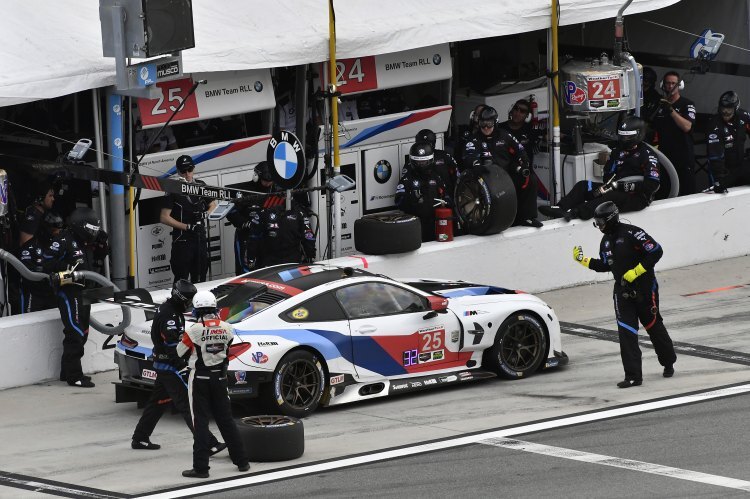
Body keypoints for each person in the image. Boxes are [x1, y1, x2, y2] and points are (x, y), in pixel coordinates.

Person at [573, 201, 676, 388]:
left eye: (601, 222)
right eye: (596, 223)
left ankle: (668, 361)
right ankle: (633, 376)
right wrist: (583, 260)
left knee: (653, 326)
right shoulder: (604, 242)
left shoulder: (633, 233)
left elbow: (656, 251)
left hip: (645, 288)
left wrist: (636, 271)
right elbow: (605, 265)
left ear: (611, 220)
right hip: (622, 291)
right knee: (626, 332)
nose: (599, 227)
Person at [131, 279, 226, 455]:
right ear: (183, 299)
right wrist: (182, 366)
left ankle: (140, 438)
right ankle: (209, 443)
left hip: (163, 364)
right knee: (189, 405)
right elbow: (172, 346)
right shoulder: (170, 316)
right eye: (189, 302)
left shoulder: (169, 309)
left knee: (158, 402)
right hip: (170, 367)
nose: (190, 305)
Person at [177, 290, 250, 478]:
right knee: (226, 421)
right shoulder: (228, 327)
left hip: (199, 379)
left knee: (200, 423)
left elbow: (179, 352)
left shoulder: (193, 330)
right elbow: (228, 347)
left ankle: (201, 468)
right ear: (214, 307)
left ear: (196, 309)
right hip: (220, 379)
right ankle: (242, 462)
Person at [540, 116, 660, 221]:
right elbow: (607, 174)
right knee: (583, 185)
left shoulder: (648, 155)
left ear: (637, 135)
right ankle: (560, 208)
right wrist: (608, 185)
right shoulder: (617, 151)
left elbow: (652, 185)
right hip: (614, 188)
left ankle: (575, 213)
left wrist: (622, 186)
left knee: (611, 197)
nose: (623, 140)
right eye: (622, 136)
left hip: (637, 197)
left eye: (627, 137)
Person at [43, 207, 108, 388]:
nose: (93, 234)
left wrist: (103, 244)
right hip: (68, 292)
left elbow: (99, 257)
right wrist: (67, 268)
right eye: (91, 230)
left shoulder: (87, 242)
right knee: (75, 331)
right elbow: (46, 263)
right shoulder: (63, 240)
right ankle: (75, 376)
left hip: (85, 291)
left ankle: (66, 371)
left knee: (84, 332)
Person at [462, 106, 543, 228]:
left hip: (507, 176)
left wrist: (524, 163)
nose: (486, 127)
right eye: (483, 124)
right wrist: (477, 165)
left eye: (489, 124)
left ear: (495, 122)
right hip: (487, 179)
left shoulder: (505, 135)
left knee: (530, 179)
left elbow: (521, 151)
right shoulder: (473, 140)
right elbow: (469, 157)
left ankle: (527, 217)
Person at [160, 155, 216, 284]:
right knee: (181, 279)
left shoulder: (200, 185)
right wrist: (187, 227)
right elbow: (164, 217)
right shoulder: (172, 188)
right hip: (182, 240)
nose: (187, 174)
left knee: (201, 277)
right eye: (183, 171)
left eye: (190, 170)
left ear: (194, 168)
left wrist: (205, 214)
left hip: (200, 238)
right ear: (178, 172)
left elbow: (213, 205)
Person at [226, 161, 283, 275]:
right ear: (256, 177)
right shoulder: (244, 190)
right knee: (246, 270)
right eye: (265, 181)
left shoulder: (277, 191)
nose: (268, 184)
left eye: (270, 181)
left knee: (269, 270)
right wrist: (244, 223)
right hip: (246, 236)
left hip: (268, 237)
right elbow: (231, 212)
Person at [396, 141, 452, 242]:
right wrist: (413, 200)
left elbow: (445, 194)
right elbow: (399, 201)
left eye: (424, 162)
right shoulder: (407, 180)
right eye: (419, 162)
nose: (422, 165)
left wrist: (446, 201)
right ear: (413, 162)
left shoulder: (436, 177)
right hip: (415, 224)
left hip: (434, 223)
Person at [652, 71, 696, 196]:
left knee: (687, 193)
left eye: (673, 84)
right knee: (664, 192)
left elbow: (687, 126)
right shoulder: (658, 106)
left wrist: (671, 110)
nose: (670, 86)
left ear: (679, 85)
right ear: (662, 85)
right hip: (664, 156)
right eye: (667, 83)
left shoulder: (687, 104)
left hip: (684, 157)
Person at [707, 91, 750, 193]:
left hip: (740, 164)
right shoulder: (714, 125)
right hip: (723, 169)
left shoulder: (744, 116)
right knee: (720, 191)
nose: (725, 112)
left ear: (735, 109)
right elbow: (715, 156)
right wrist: (719, 178)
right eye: (723, 109)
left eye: (729, 109)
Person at [18, 211, 59, 313]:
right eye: (54, 229)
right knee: (28, 320)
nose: (57, 232)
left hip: (53, 292)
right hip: (33, 293)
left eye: (59, 229)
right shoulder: (30, 247)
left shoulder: (59, 245)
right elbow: (25, 272)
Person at [414, 129, 460, 197]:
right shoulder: (413, 160)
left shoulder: (445, 156)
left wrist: (457, 194)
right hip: (424, 198)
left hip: (446, 197)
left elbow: (457, 175)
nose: (424, 148)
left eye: (426, 145)